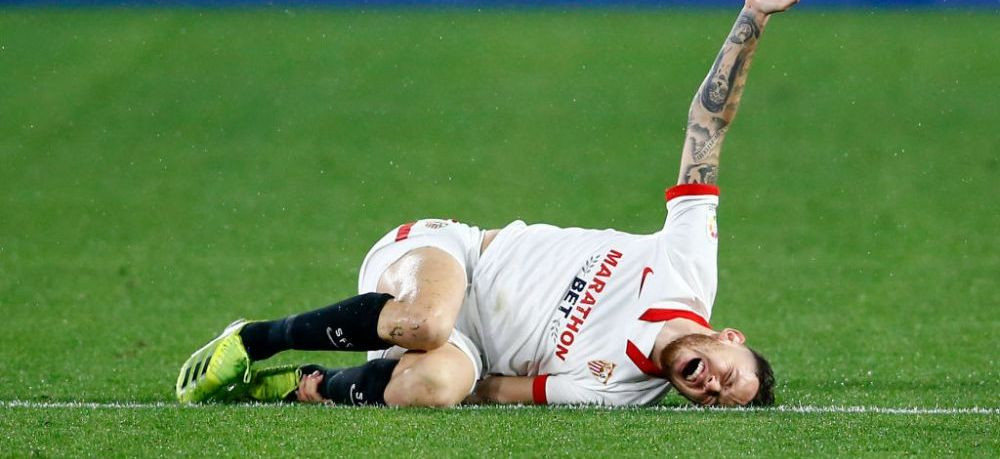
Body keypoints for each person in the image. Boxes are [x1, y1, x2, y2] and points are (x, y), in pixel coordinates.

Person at [175, 0, 797, 408]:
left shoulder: (622, 391)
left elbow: (499, 390)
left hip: (467, 344)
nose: (713, 387)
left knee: (437, 385)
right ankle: (255, 339)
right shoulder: (687, 264)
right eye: (729, 375)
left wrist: (419, 382)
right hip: (451, 257)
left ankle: (304, 388)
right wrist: (754, 17)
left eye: (716, 401)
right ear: (729, 337)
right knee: (428, 323)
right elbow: (706, 128)